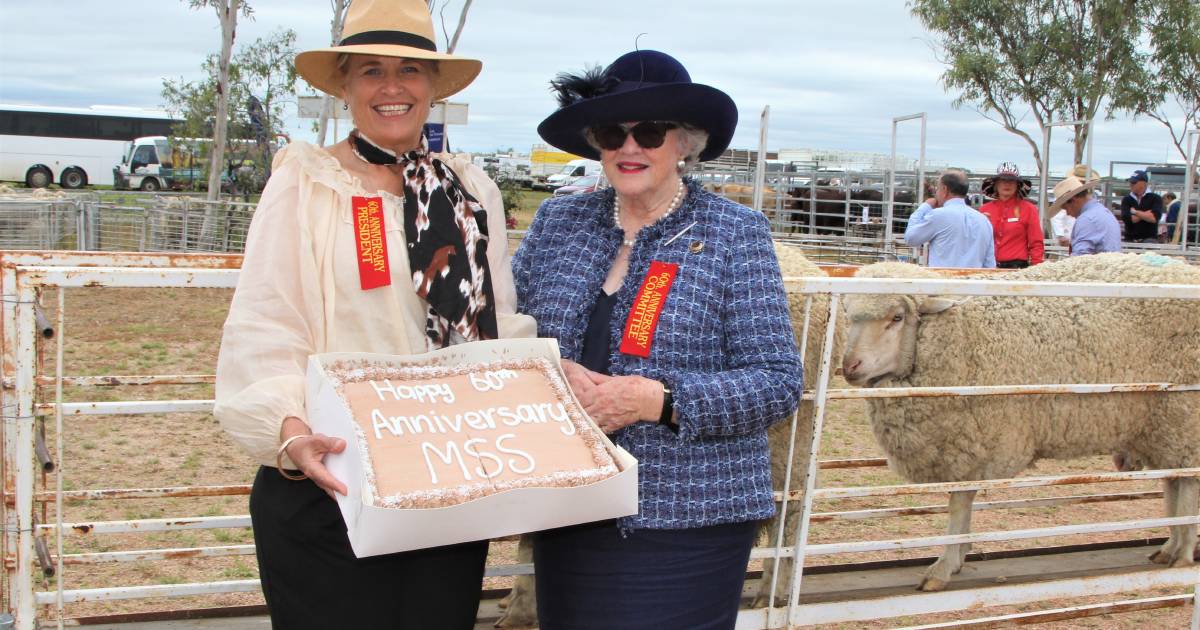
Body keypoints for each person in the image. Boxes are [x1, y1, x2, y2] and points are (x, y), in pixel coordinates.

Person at [213, 1, 535, 628]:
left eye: (411, 69)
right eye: (371, 70)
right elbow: (266, 320)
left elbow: (497, 324)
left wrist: (533, 395)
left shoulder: (470, 192)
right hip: (331, 477)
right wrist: (289, 428)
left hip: (442, 480)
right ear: (345, 85)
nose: (392, 87)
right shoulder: (308, 184)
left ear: (434, 87)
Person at [513, 50, 803, 630]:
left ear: (685, 143)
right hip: (569, 505)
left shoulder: (734, 234)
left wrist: (658, 399)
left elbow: (776, 382)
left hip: (686, 517)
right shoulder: (558, 222)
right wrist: (546, 371)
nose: (629, 148)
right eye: (610, 133)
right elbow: (505, 331)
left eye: (648, 132)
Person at [903, 169, 996, 268]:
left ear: (944, 189)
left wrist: (925, 206)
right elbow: (990, 264)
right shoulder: (983, 220)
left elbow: (911, 238)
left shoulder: (938, 215)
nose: (936, 193)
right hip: (974, 280)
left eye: (937, 189)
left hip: (944, 280)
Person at [978, 162, 1044, 268]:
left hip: (1017, 268)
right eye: (1003, 180)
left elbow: (1036, 243)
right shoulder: (984, 210)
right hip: (988, 267)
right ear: (996, 184)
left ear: (1017, 185)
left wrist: (1038, 268)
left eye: (1011, 181)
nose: (1007, 184)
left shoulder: (1029, 209)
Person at [1048, 174, 1121, 256]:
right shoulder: (1103, 212)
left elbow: (1080, 260)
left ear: (1073, 200)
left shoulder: (1086, 220)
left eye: (1066, 208)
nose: (1068, 213)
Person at [1120, 169, 1163, 243]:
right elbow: (1127, 219)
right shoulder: (1126, 199)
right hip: (1130, 239)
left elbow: (1154, 218)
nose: (1131, 184)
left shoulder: (1155, 198)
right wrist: (1146, 214)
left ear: (1143, 183)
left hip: (1149, 239)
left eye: (1134, 182)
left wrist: (1135, 212)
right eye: (1130, 182)